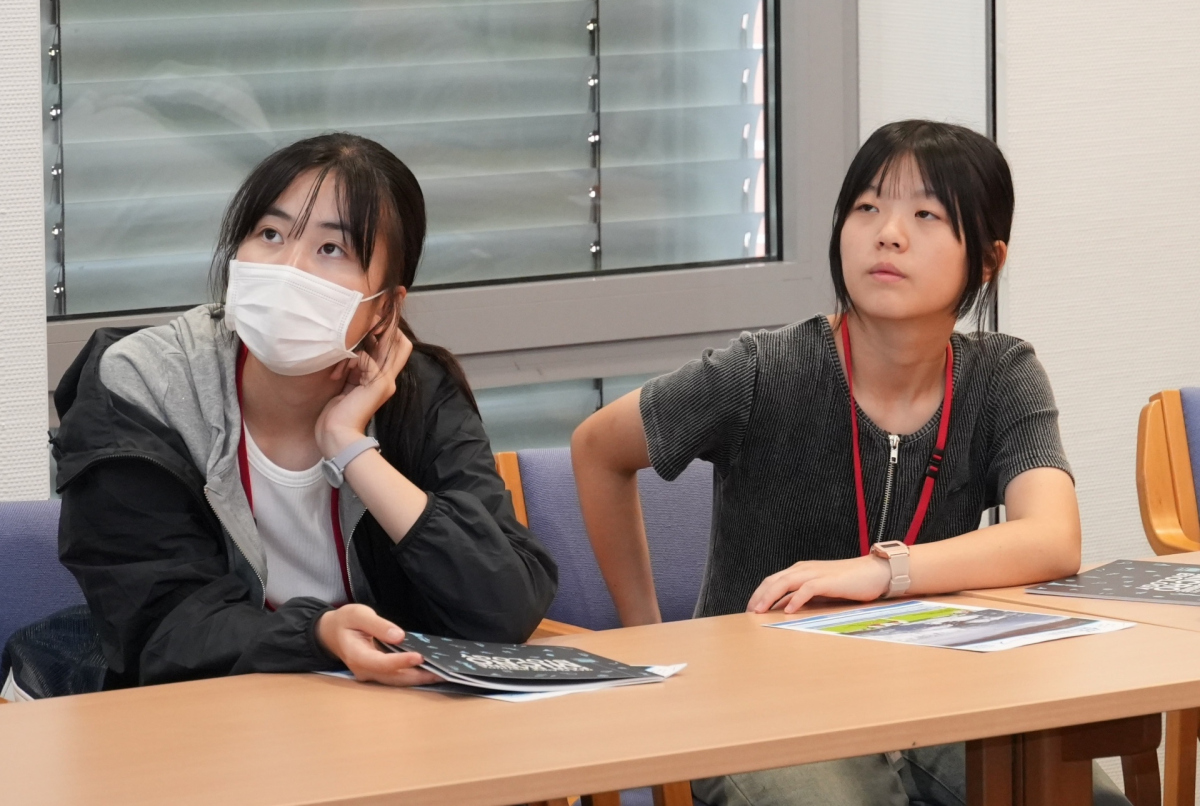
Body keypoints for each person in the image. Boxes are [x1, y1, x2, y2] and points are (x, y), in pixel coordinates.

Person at [570, 120, 1128, 806]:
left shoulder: (1001, 374)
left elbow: (1051, 537)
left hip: (937, 697)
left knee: (1081, 796)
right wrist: (647, 634)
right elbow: (599, 448)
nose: (888, 233)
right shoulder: (763, 371)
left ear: (987, 260)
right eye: (867, 207)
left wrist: (879, 572)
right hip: (766, 708)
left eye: (925, 214)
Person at [45, 133, 557, 692]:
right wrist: (317, 634)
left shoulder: (416, 394)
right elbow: (162, 628)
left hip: (359, 722)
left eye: (331, 249)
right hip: (177, 717)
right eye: (269, 234)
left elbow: (503, 607)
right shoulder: (142, 385)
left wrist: (350, 445)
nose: (288, 268)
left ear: (384, 307)